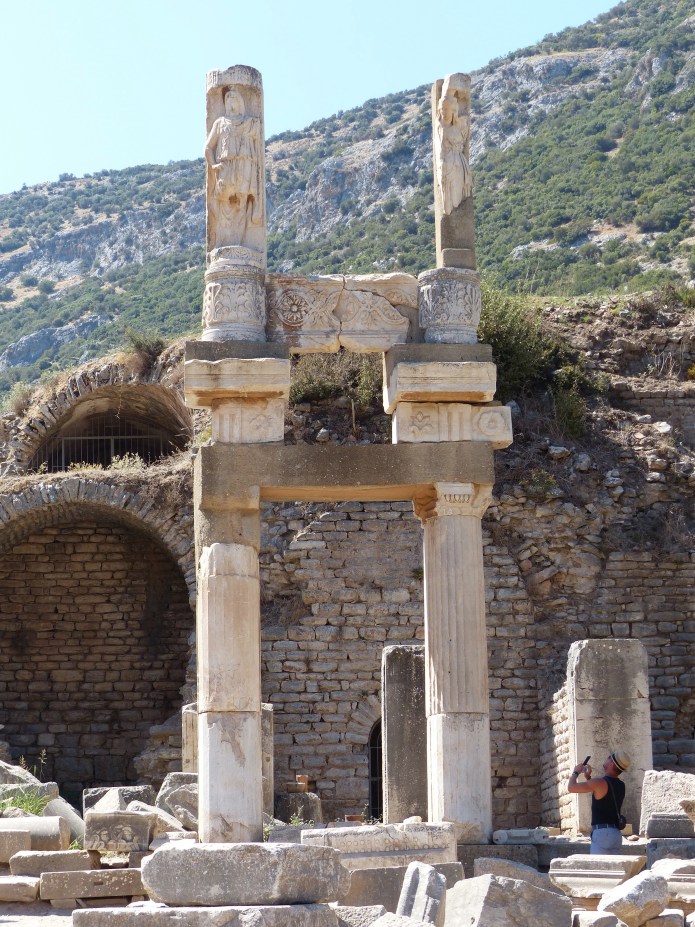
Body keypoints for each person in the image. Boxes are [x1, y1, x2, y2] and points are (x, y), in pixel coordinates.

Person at [204, 88, 262, 249]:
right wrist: (214, 164)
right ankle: (222, 240)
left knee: (242, 203)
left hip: (244, 165)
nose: (231, 101)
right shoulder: (220, 122)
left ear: (240, 102)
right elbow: (208, 147)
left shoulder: (250, 123)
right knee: (219, 200)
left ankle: (238, 242)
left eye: (234, 98)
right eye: (228, 98)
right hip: (225, 166)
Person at [567, 750, 631, 854]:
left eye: (609, 757)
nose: (607, 758)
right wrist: (588, 778)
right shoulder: (621, 785)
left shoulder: (599, 783)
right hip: (615, 834)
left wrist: (576, 772)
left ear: (611, 764)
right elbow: (601, 794)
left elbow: (571, 788)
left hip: (602, 833)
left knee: (599, 868)